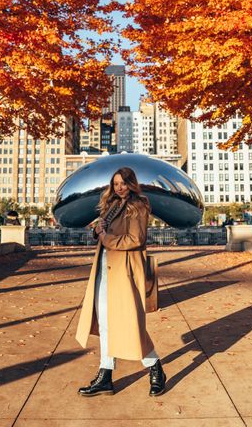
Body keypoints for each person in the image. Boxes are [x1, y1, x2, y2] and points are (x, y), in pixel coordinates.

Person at [75, 167, 166, 397]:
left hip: (124, 271)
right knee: (106, 323)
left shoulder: (138, 206)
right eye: (115, 184)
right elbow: (102, 230)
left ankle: (155, 368)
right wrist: (97, 231)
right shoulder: (111, 205)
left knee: (131, 323)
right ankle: (105, 376)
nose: (119, 188)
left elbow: (136, 239)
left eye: (123, 183)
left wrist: (106, 238)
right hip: (105, 269)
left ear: (131, 184)